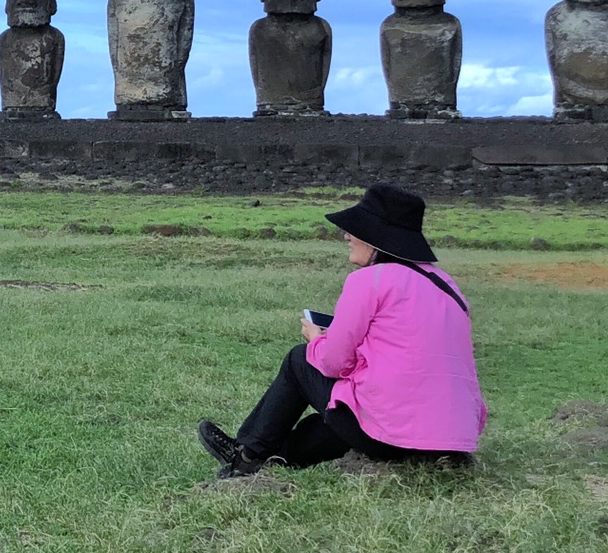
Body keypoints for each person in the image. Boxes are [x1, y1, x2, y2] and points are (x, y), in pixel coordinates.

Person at [199, 183, 487, 478]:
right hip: (451, 439)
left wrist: (317, 341)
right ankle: (277, 457)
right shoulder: (448, 286)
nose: (347, 236)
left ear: (376, 238)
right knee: (337, 415)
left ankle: (247, 454)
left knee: (300, 360)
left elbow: (334, 363)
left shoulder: (369, 281)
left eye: (355, 230)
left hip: (391, 436)